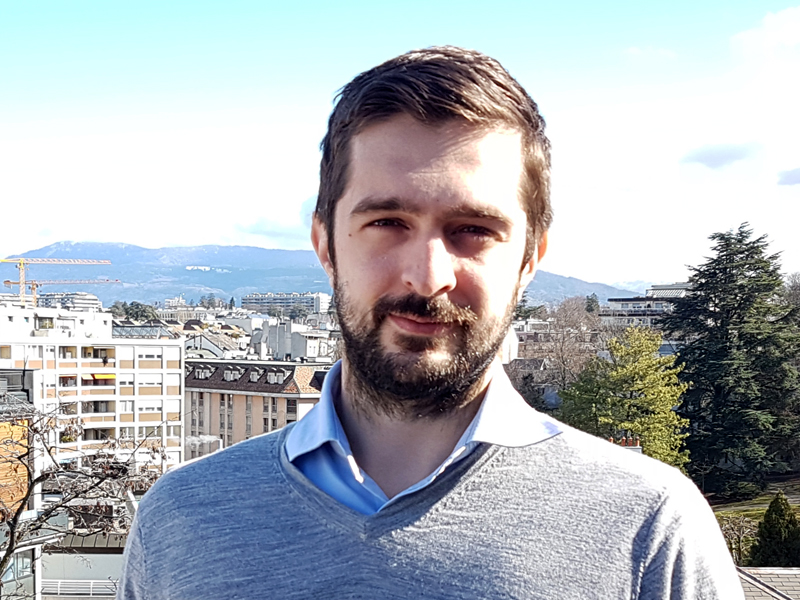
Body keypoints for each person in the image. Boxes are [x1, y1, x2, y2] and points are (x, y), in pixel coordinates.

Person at [118, 47, 743, 599]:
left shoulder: (646, 526)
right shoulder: (180, 520)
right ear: (325, 244)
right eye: (387, 222)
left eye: (473, 229)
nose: (427, 276)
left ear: (530, 258)